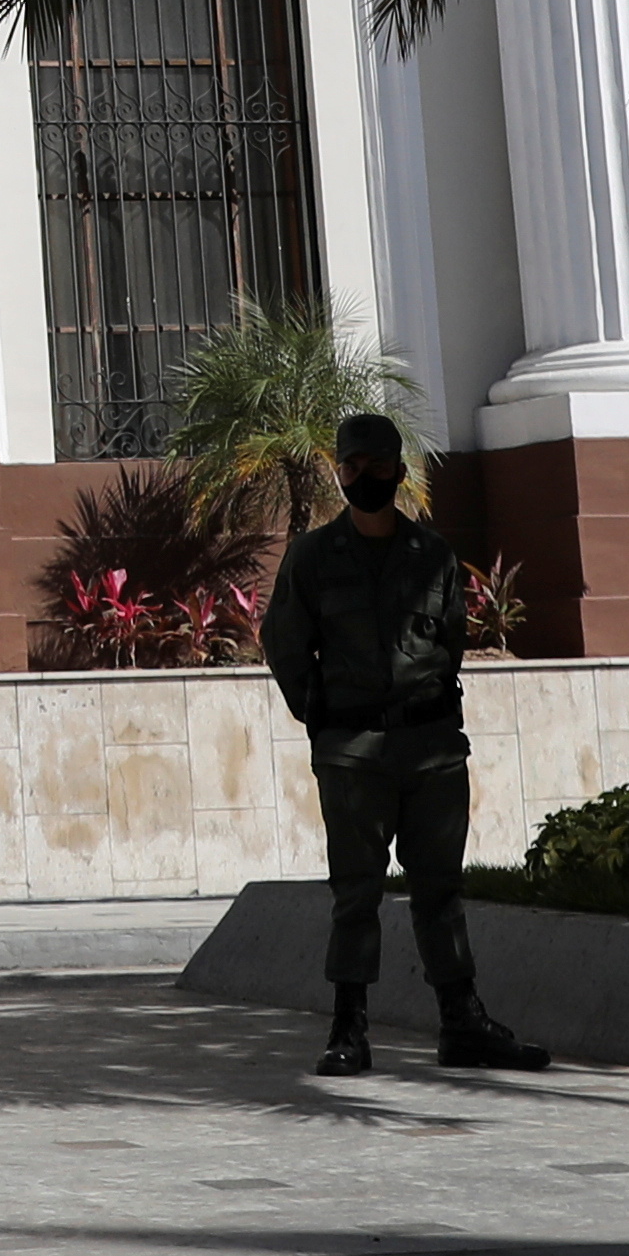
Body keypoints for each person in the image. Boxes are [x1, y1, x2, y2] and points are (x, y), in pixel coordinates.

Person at [258, 406, 549, 1079]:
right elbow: (284, 643)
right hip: (354, 751)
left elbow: (448, 644)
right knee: (356, 894)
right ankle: (348, 1027)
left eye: (375, 465)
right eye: (350, 465)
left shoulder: (434, 557)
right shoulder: (313, 558)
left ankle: (461, 1020)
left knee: (439, 889)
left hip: (431, 749)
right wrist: (323, 719)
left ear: (397, 469)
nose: (362, 476)